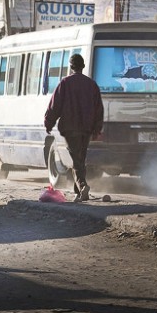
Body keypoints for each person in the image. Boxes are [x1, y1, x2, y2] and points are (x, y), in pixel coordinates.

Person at [44, 54, 104, 202]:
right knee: (80, 159)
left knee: (76, 159)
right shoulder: (92, 85)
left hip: (70, 128)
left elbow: (54, 106)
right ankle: (79, 193)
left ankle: (82, 186)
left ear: (70, 67)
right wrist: (97, 129)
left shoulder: (64, 83)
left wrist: (48, 123)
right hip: (86, 128)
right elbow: (99, 109)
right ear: (83, 67)